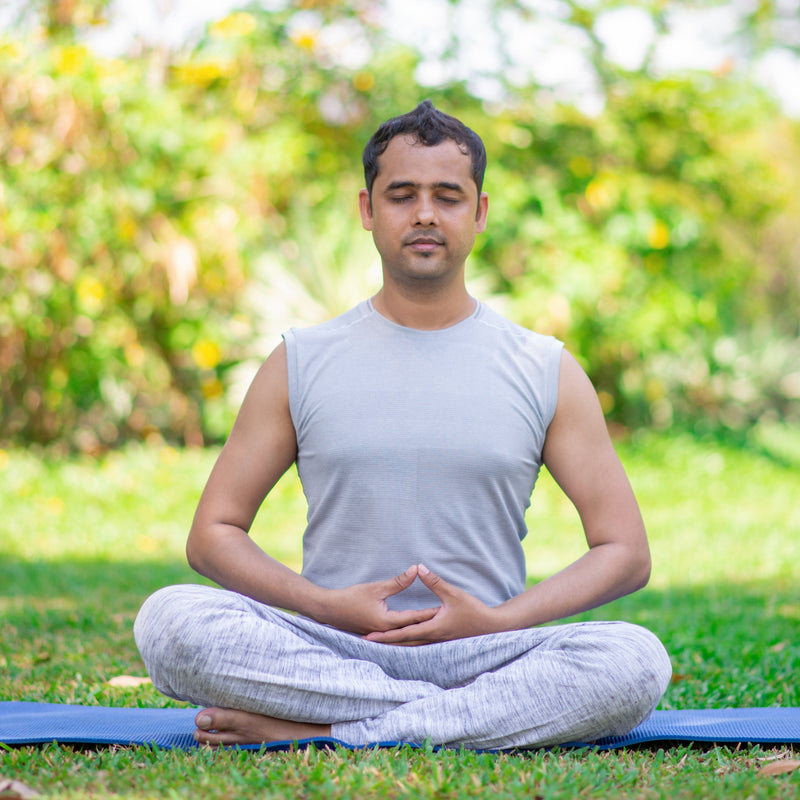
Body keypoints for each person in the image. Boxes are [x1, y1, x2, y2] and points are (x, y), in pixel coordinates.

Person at [134, 100, 671, 750]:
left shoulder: (543, 367)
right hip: (334, 648)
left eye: (447, 196)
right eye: (401, 195)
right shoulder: (300, 360)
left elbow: (625, 552)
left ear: (480, 213)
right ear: (368, 210)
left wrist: (498, 622)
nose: (424, 214)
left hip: (488, 651)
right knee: (171, 621)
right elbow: (212, 536)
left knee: (636, 659)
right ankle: (454, 720)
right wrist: (326, 606)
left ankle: (330, 729)